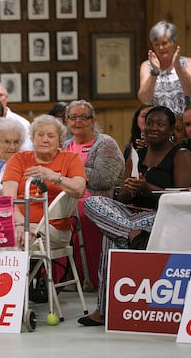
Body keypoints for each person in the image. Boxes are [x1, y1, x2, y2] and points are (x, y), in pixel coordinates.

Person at [79, 106, 191, 326]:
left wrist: (146, 187)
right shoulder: (137, 153)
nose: (153, 128)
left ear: (171, 128)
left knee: (110, 235)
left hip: (162, 216)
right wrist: (129, 190)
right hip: (131, 216)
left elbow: (182, 199)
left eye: (160, 124)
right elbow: (121, 198)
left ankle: (104, 309)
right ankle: (132, 236)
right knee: (93, 202)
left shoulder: (182, 155)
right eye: (149, 123)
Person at [63, 100, 125, 289]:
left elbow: (103, 180)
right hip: (66, 199)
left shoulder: (105, 143)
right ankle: (59, 278)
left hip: (98, 201)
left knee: (81, 214)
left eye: (84, 117)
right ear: (66, 121)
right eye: (73, 117)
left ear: (93, 120)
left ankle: (93, 279)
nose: (78, 121)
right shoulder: (65, 146)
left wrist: (72, 170)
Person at [2, 114, 87, 250]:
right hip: (18, 224)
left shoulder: (70, 159)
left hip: (53, 227)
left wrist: (55, 177)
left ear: (60, 140)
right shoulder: (18, 159)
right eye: (40, 135)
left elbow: (79, 189)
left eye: (51, 136)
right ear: (32, 138)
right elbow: (8, 198)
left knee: (11, 244)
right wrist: (22, 224)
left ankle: (23, 272)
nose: (45, 140)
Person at [137, 20, 191, 114]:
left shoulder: (189, 63)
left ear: (173, 42)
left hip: (185, 124)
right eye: (157, 44)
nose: (161, 48)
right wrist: (154, 72)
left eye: (164, 43)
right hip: (158, 124)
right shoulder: (147, 66)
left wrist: (178, 67)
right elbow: (144, 99)